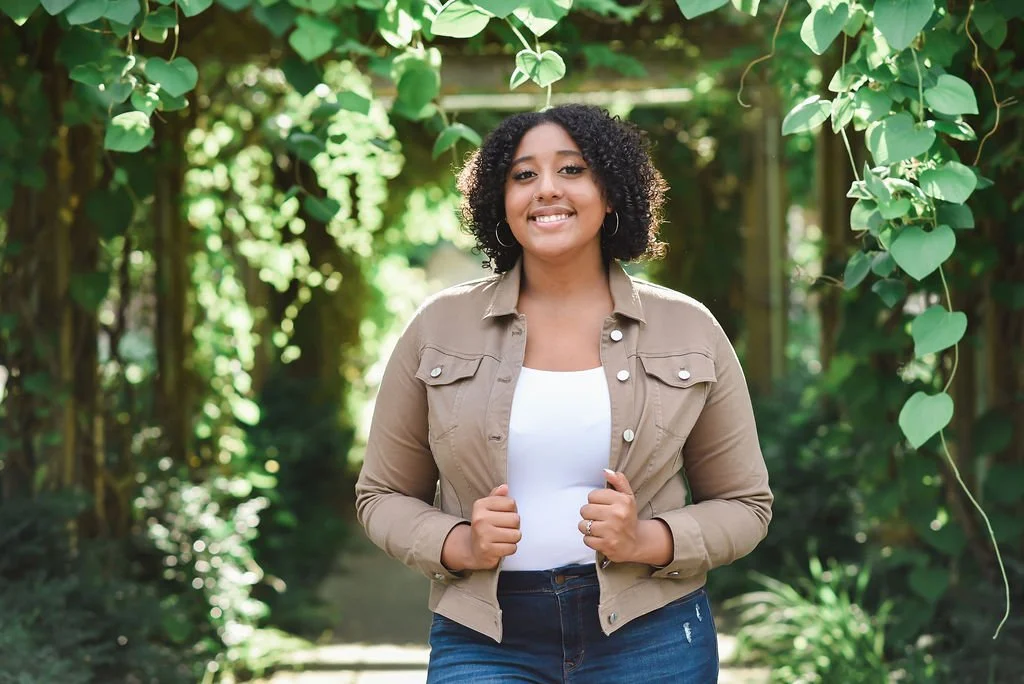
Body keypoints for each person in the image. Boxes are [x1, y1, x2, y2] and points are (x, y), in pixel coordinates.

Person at [355, 104, 772, 683]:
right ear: (499, 200)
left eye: (572, 170)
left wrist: (647, 538)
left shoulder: (689, 328)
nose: (546, 189)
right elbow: (381, 494)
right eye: (523, 175)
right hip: (484, 635)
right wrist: (458, 544)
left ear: (611, 191)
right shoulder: (439, 326)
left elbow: (746, 506)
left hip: (651, 633)